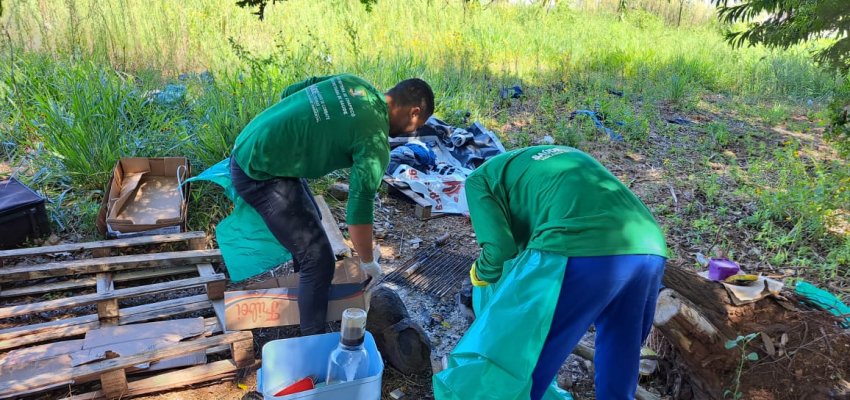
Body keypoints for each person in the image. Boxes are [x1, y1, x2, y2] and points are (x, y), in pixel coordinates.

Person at [435, 145, 667, 400]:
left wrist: (478, 277)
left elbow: (499, 250)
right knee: (620, 350)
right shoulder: (543, 162)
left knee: (526, 358)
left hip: (579, 246)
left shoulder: (478, 181)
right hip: (649, 247)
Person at [229, 74, 434, 335]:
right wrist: (368, 262)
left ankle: (307, 301)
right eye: (416, 126)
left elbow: (292, 89)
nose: (412, 131)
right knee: (318, 259)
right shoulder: (375, 142)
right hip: (258, 171)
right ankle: (313, 341)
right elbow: (359, 210)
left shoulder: (355, 84)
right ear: (414, 113)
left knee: (311, 221)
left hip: (252, 139)